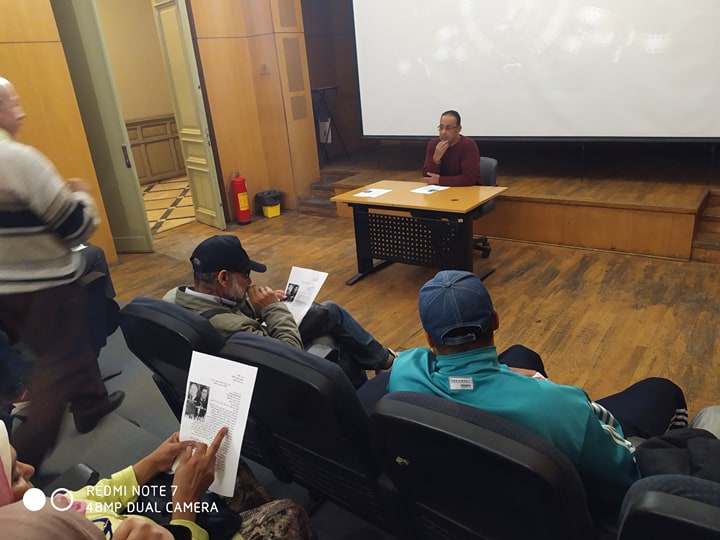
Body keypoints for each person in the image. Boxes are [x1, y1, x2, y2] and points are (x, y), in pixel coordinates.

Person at [386, 270, 720, 506]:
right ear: (496, 320)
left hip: (472, 501)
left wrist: (501, 372)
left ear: (428, 337)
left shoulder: (404, 373)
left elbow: (433, 366)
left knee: (522, 354)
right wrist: (535, 385)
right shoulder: (562, 406)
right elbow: (623, 477)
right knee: (662, 390)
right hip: (573, 499)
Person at [0, 77, 124, 467]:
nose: (21, 110)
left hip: (7, 290)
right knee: (57, 368)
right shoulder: (20, 160)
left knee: (69, 345)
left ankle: (91, 404)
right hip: (44, 287)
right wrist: (82, 195)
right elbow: (75, 227)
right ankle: (19, 465)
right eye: (12, 101)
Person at [0, 422, 315, 540]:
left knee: (226, 467)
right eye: (14, 475)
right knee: (287, 513)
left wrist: (150, 463)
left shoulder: (41, 509)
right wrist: (184, 506)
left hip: (157, 518)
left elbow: (96, 496)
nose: (29, 469)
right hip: (178, 526)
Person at [164, 235, 395, 388]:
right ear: (223, 278)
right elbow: (288, 354)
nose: (250, 281)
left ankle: (383, 360)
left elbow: (220, 307)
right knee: (335, 342)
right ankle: (376, 376)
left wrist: (253, 302)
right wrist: (272, 307)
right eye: (245, 274)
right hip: (268, 375)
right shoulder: (230, 327)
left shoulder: (175, 297)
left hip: (240, 359)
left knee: (329, 313)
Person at [422, 110, 481, 186]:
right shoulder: (433, 144)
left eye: (448, 128)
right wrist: (435, 160)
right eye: (441, 127)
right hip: (442, 190)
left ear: (458, 129)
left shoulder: (468, 145)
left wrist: (440, 180)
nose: (443, 132)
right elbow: (428, 177)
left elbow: (469, 179)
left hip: (468, 190)